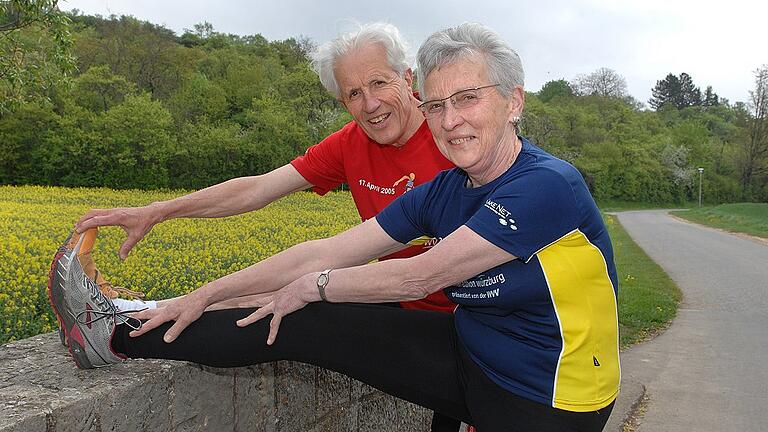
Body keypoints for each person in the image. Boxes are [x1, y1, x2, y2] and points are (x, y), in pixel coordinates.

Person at [51, 23, 620, 431]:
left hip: (549, 397)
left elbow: (417, 277)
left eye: (467, 100)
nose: (449, 120)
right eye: (439, 104)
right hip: (473, 350)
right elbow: (323, 249)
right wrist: (205, 293)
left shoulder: (548, 184)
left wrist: (314, 285)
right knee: (295, 314)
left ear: (514, 102)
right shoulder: (445, 189)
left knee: (304, 301)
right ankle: (115, 333)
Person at [73, 23, 463, 431]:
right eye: (353, 93)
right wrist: (157, 210)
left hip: (463, 321)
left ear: (408, 79)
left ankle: (121, 327)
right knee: (270, 298)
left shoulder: (452, 137)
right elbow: (257, 189)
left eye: (379, 83)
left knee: (298, 307)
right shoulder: (352, 142)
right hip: (401, 301)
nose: (370, 104)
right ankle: (127, 317)